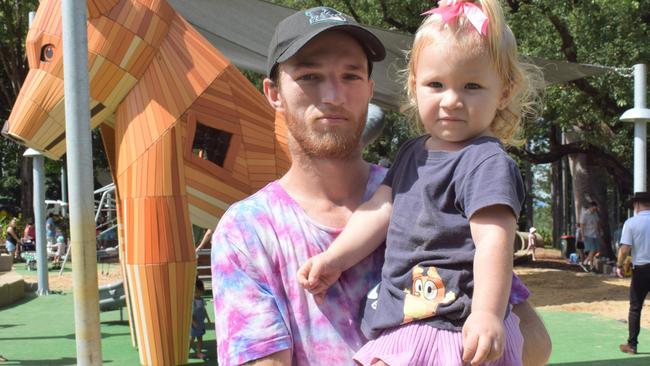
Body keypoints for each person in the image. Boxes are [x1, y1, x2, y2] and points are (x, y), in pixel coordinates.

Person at [211, 5, 550, 365]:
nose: (333, 95)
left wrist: (476, 328)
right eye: (309, 76)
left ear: (370, 89)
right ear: (274, 93)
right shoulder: (246, 232)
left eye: (351, 76)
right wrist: (334, 260)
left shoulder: (439, 183)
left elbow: (533, 339)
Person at [616, 192, 650, 355]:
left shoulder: (631, 223)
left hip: (642, 270)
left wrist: (619, 264)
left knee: (635, 308)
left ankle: (632, 345)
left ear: (636, 205)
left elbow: (624, 249)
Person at [191, 278, 210, 359]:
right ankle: (186, 351)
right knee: (191, 339)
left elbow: (203, 309)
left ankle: (198, 352)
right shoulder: (192, 301)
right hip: (194, 324)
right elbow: (190, 314)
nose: (197, 294)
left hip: (200, 323)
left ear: (202, 291)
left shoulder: (201, 300)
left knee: (200, 338)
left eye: (199, 292)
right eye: (195, 292)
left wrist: (208, 319)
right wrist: (194, 323)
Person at [580, 201, 601, 270]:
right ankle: (589, 264)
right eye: (594, 209)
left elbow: (597, 223)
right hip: (588, 235)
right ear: (590, 207)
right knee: (593, 250)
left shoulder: (595, 214)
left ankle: (588, 263)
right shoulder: (585, 215)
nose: (594, 210)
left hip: (595, 234)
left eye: (595, 209)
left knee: (596, 251)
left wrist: (600, 231)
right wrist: (582, 236)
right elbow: (582, 225)